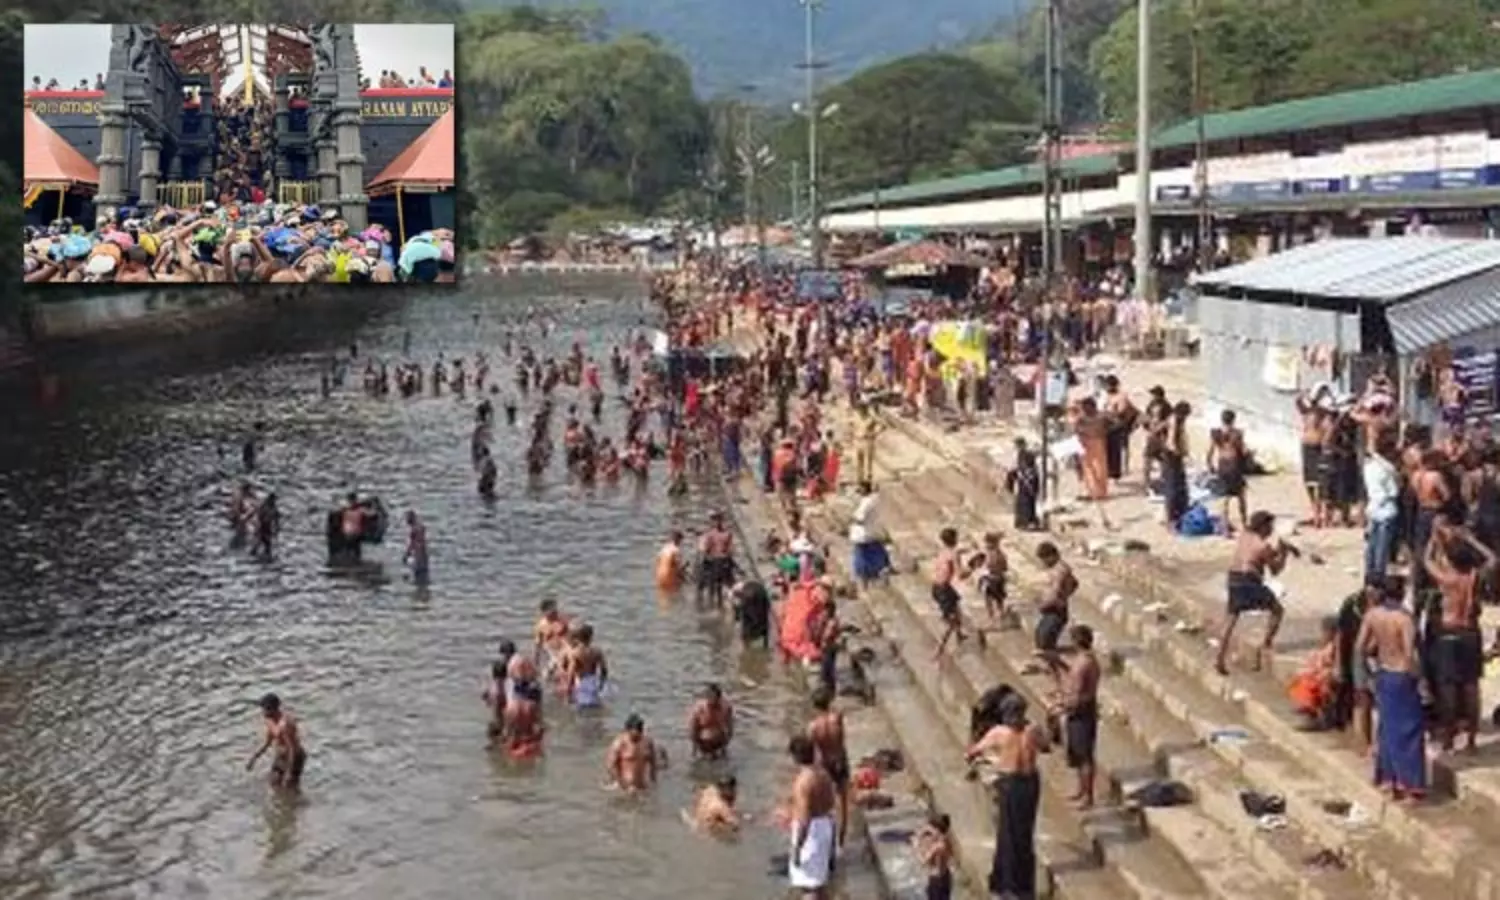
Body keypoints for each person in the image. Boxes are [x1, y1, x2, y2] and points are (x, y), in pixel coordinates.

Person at [966, 693, 1048, 900]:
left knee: (1009, 834)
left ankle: (1009, 885)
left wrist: (986, 756)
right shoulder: (1033, 729)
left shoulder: (999, 733)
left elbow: (972, 752)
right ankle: (1024, 886)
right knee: (1024, 833)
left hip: (1011, 784)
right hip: (1030, 784)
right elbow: (1046, 746)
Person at [1424, 524, 1493, 754]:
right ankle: (1472, 740)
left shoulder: (1447, 579)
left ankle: (1449, 739)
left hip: (1449, 633)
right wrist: (1472, 539)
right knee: (1471, 686)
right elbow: (1492, 559)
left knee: (1449, 689)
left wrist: (1433, 538)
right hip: (1471, 633)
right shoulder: (1473, 577)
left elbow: (1427, 560)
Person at [1355, 580, 1425, 801]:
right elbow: (1409, 654)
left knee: (1387, 727)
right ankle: (1410, 784)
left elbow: (1361, 647)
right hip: (1402, 676)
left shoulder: (1372, 615)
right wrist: (1422, 682)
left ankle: (1389, 779)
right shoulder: (1405, 619)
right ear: (1402, 593)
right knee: (1409, 730)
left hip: (1383, 673)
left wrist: (1370, 671)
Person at [1216, 511, 1291, 676]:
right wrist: (1284, 554)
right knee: (1277, 610)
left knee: (1231, 619)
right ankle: (1266, 644)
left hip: (1233, 578)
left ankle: (1219, 658)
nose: (1271, 530)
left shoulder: (1244, 536)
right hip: (1249, 581)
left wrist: (1277, 551)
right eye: (1269, 526)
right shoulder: (1263, 546)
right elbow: (1275, 570)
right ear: (1263, 526)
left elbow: (1255, 555)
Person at [785, 734, 838, 898]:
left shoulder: (803, 782)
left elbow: (805, 818)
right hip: (826, 825)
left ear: (795, 757)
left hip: (811, 834)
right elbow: (831, 806)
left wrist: (797, 848)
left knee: (808, 886)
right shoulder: (824, 775)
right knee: (820, 883)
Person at [1056, 624, 1100, 809]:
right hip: (1074, 710)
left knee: (1085, 756)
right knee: (1077, 753)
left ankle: (1088, 797)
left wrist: (1068, 705)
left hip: (1083, 711)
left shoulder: (1088, 663)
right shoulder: (1080, 660)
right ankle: (1081, 789)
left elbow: (1086, 692)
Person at [807, 685, 850, 849]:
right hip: (840, 760)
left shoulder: (813, 727)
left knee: (825, 804)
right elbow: (842, 738)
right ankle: (841, 840)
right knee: (843, 803)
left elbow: (812, 752)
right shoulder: (837, 718)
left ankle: (828, 840)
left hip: (825, 764)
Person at [1289, 616, 1341, 730]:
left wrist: (1321, 672)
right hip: (1318, 672)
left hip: (1328, 675)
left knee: (1313, 684)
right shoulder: (1325, 645)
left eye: (1326, 631)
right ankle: (1308, 713)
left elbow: (1335, 667)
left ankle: (1314, 717)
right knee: (1302, 679)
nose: (1324, 634)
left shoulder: (1337, 647)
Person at [245, 693, 306, 790]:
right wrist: (254, 758)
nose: (263, 712)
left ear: (272, 709)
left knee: (289, 786)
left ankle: (294, 795)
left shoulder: (285, 725)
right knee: (273, 782)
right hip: (281, 755)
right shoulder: (270, 721)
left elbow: (291, 749)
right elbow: (267, 742)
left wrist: (289, 772)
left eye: (264, 709)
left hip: (294, 757)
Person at [1206, 409, 1250, 532]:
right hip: (1234, 465)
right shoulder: (1237, 433)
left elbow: (1210, 451)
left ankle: (1225, 527)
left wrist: (1210, 465)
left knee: (1224, 498)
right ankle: (1244, 524)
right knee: (1241, 496)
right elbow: (1243, 450)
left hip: (1222, 465)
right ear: (1233, 420)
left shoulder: (1216, 433)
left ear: (1222, 419)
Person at [1035, 542, 1076, 668]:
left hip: (1055, 610)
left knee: (1046, 642)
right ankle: (1049, 666)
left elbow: (1057, 591)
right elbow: (1075, 583)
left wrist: (1057, 599)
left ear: (1051, 556)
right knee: (1040, 637)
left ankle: (1056, 667)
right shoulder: (1057, 569)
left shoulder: (1060, 571)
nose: (1043, 563)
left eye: (1044, 559)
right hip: (1051, 609)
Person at [606, 714, 659, 792]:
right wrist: (622, 784)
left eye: (640, 732)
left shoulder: (648, 742)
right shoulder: (619, 743)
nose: (638, 736)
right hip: (624, 786)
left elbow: (653, 762)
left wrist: (653, 780)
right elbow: (610, 765)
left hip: (642, 785)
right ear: (628, 730)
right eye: (634, 735)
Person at [561, 623, 608, 709]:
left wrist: (568, 693)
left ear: (578, 637)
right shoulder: (597, 651)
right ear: (591, 636)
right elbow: (604, 670)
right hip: (593, 682)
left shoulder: (575, 653)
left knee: (580, 710)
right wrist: (601, 685)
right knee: (595, 708)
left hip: (580, 683)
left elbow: (571, 674)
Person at [911, 812, 953, 900]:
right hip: (943, 877)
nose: (930, 833)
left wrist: (916, 846)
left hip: (937, 881)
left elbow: (923, 861)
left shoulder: (939, 846)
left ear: (937, 830)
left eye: (932, 830)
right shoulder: (944, 840)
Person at [697, 512, 736, 607]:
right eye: (715, 520)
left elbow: (730, 549)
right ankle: (711, 603)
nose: (717, 522)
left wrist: (727, 558)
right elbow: (705, 549)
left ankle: (721, 603)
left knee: (724, 585)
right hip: (713, 562)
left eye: (719, 520)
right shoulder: (709, 534)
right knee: (711, 586)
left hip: (723, 561)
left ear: (722, 521)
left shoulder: (727, 534)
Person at [688, 682, 734, 759]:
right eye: (708, 696)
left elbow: (730, 727)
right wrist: (694, 750)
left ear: (718, 697)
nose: (709, 699)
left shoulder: (726, 707)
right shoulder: (699, 708)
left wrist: (725, 746)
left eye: (712, 696)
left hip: (720, 742)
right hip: (703, 743)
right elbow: (693, 729)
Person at [503, 676, 546, 759]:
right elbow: (540, 729)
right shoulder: (532, 706)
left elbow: (506, 732)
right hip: (528, 745)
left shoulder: (510, 707)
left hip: (513, 745)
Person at [655, 530, 686, 594]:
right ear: (679, 540)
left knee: (663, 595)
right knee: (675, 595)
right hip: (670, 578)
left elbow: (657, 561)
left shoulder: (664, 548)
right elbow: (678, 568)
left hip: (660, 576)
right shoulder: (676, 550)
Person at [403, 510, 429, 585]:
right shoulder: (420, 527)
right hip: (423, 555)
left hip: (419, 556)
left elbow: (413, 543)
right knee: (424, 574)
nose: (406, 521)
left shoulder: (414, 529)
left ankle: (420, 589)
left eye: (407, 518)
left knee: (419, 575)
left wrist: (407, 554)